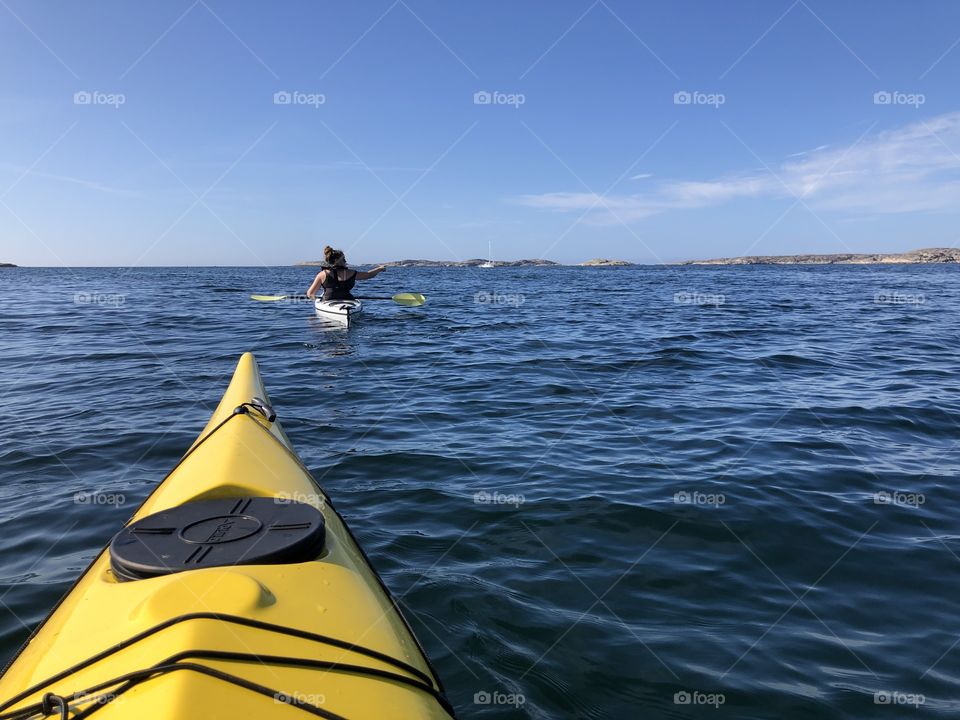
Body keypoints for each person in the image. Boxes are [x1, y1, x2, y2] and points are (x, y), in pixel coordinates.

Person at [306, 246, 386, 301]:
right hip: (349, 301)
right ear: (337, 260)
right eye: (344, 259)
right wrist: (379, 269)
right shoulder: (351, 272)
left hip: (328, 302)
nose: (346, 261)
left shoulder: (322, 274)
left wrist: (317, 300)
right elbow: (369, 275)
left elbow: (310, 294)